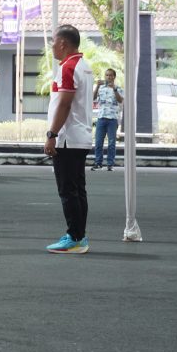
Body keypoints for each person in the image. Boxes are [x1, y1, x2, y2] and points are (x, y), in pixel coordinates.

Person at [44, 25, 94, 254]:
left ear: (63, 43)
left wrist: (52, 135)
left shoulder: (69, 67)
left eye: (53, 41)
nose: (52, 46)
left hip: (67, 138)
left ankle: (74, 237)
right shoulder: (84, 66)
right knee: (77, 189)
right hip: (80, 135)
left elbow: (64, 104)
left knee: (67, 190)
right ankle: (79, 236)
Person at [92, 68, 123, 172]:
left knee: (111, 143)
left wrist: (114, 89)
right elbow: (93, 98)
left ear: (114, 77)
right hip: (101, 117)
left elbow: (120, 100)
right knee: (98, 142)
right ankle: (98, 163)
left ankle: (110, 164)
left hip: (112, 119)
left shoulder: (118, 88)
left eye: (110, 75)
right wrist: (97, 86)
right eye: (107, 75)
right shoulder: (100, 88)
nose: (108, 77)